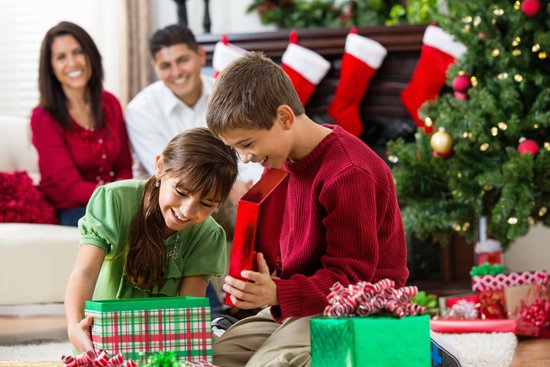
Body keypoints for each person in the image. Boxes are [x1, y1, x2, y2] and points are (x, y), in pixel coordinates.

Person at [206, 52, 409, 367]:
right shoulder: (281, 163)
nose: (244, 158)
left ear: (285, 118)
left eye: (248, 144)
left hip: (361, 309)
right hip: (303, 305)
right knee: (212, 356)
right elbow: (284, 252)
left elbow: (350, 281)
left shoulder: (348, 172)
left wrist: (276, 294)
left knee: (267, 364)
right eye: (236, 150)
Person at [64, 127, 238, 354]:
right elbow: (83, 273)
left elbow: (187, 313)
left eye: (206, 204)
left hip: (168, 341)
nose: (187, 211)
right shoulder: (114, 200)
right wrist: (74, 327)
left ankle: (218, 328)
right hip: (103, 336)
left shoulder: (208, 234)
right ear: (160, 167)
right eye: (181, 192)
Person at [124, 23, 262, 206]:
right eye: (165, 65)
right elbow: (169, 173)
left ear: (200, 55)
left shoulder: (228, 94)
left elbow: (249, 152)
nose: (176, 72)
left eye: (182, 60)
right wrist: (229, 187)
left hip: (241, 189)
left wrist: (252, 188)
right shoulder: (140, 110)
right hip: (179, 200)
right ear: (155, 67)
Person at [31, 21, 132, 226]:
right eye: (61, 57)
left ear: (90, 55)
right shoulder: (43, 117)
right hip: (70, 209)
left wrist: (120, 195)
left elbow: (124, 165)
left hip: (113, 201)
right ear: (51, 67)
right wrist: (114, 197)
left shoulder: (110, 103)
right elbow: (71, 188)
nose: (72, 62)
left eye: (78, 52)